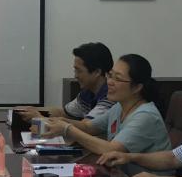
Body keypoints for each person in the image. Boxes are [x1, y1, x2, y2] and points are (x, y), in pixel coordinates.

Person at [41, 54, 170, 160]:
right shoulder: (119, 107)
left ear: (137, 87)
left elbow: (112, 150)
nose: (109, 82)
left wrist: (68, 129)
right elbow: (89, 127)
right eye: (110, 75)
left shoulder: (145, 116)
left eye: (117, 79)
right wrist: (61, 121)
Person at [16, 42, 114, 132]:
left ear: (97, 72)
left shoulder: (110, 96)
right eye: (75, 70)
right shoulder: (88, 92)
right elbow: (63, 113)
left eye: (79, 71)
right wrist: (33, 110)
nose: (75, 76)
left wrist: (41, 119)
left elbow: (87, 127)